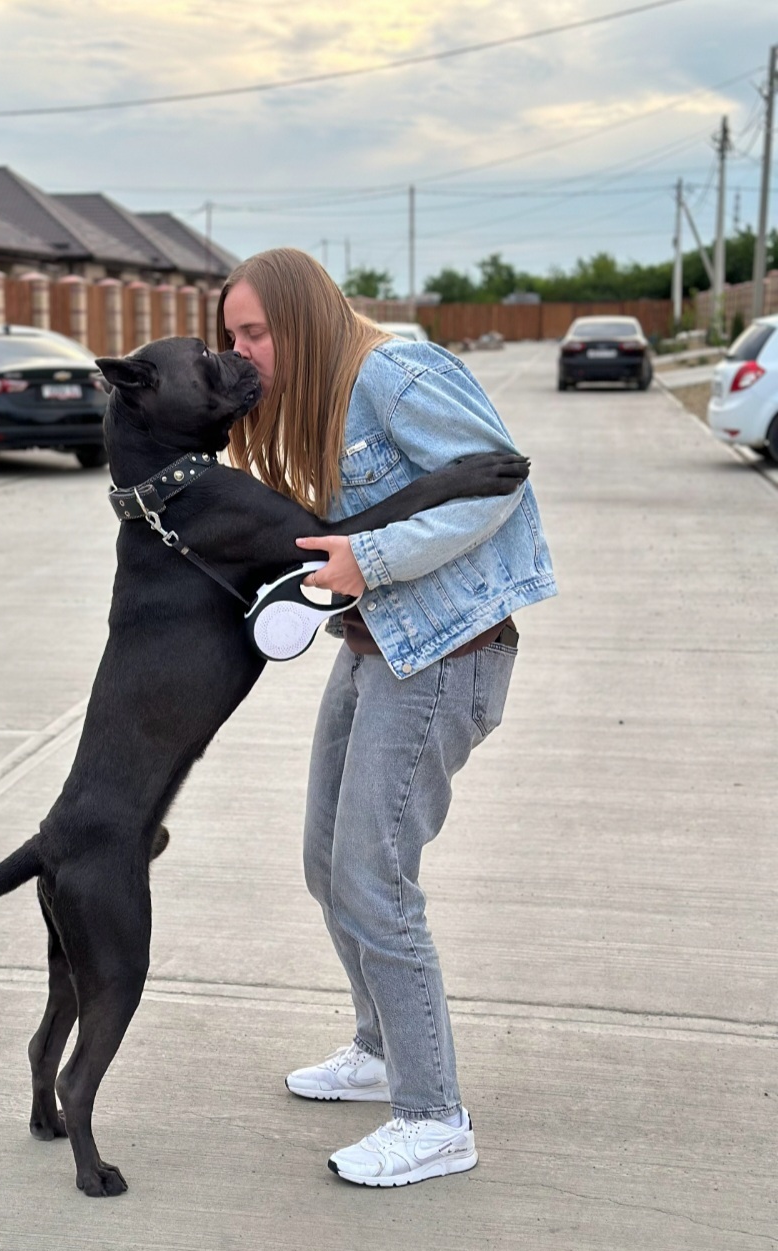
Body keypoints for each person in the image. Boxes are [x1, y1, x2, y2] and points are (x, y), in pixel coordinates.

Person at [218, 248, 556, 1189]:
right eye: (233, 336)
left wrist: (375, 557)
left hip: (448, 654)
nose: (245, 353)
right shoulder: (313, 396)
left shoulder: (394, 373)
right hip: (379, 652)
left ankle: (434, 1114)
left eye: (258, 332)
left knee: (373, 876)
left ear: (305, 315)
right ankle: (378, 1052)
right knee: (326, 863)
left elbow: (497, 480)